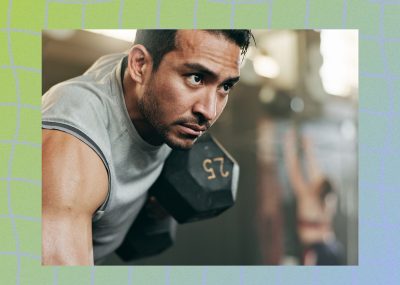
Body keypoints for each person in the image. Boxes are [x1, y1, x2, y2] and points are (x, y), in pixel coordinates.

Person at [42, 30, 253, 265]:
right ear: (139, 66)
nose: (209, 111)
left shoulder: (160, 94)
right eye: (196, 78)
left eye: (225, 86)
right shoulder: (72, 144)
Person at [283, 129, 343, 265]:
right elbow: (314, 174)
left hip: (318, 250)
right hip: (327, 247)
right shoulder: (327, 198)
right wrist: (308, 148)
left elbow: (294, 172)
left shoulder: (311, 199)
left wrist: (289, 145)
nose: (314, 179)